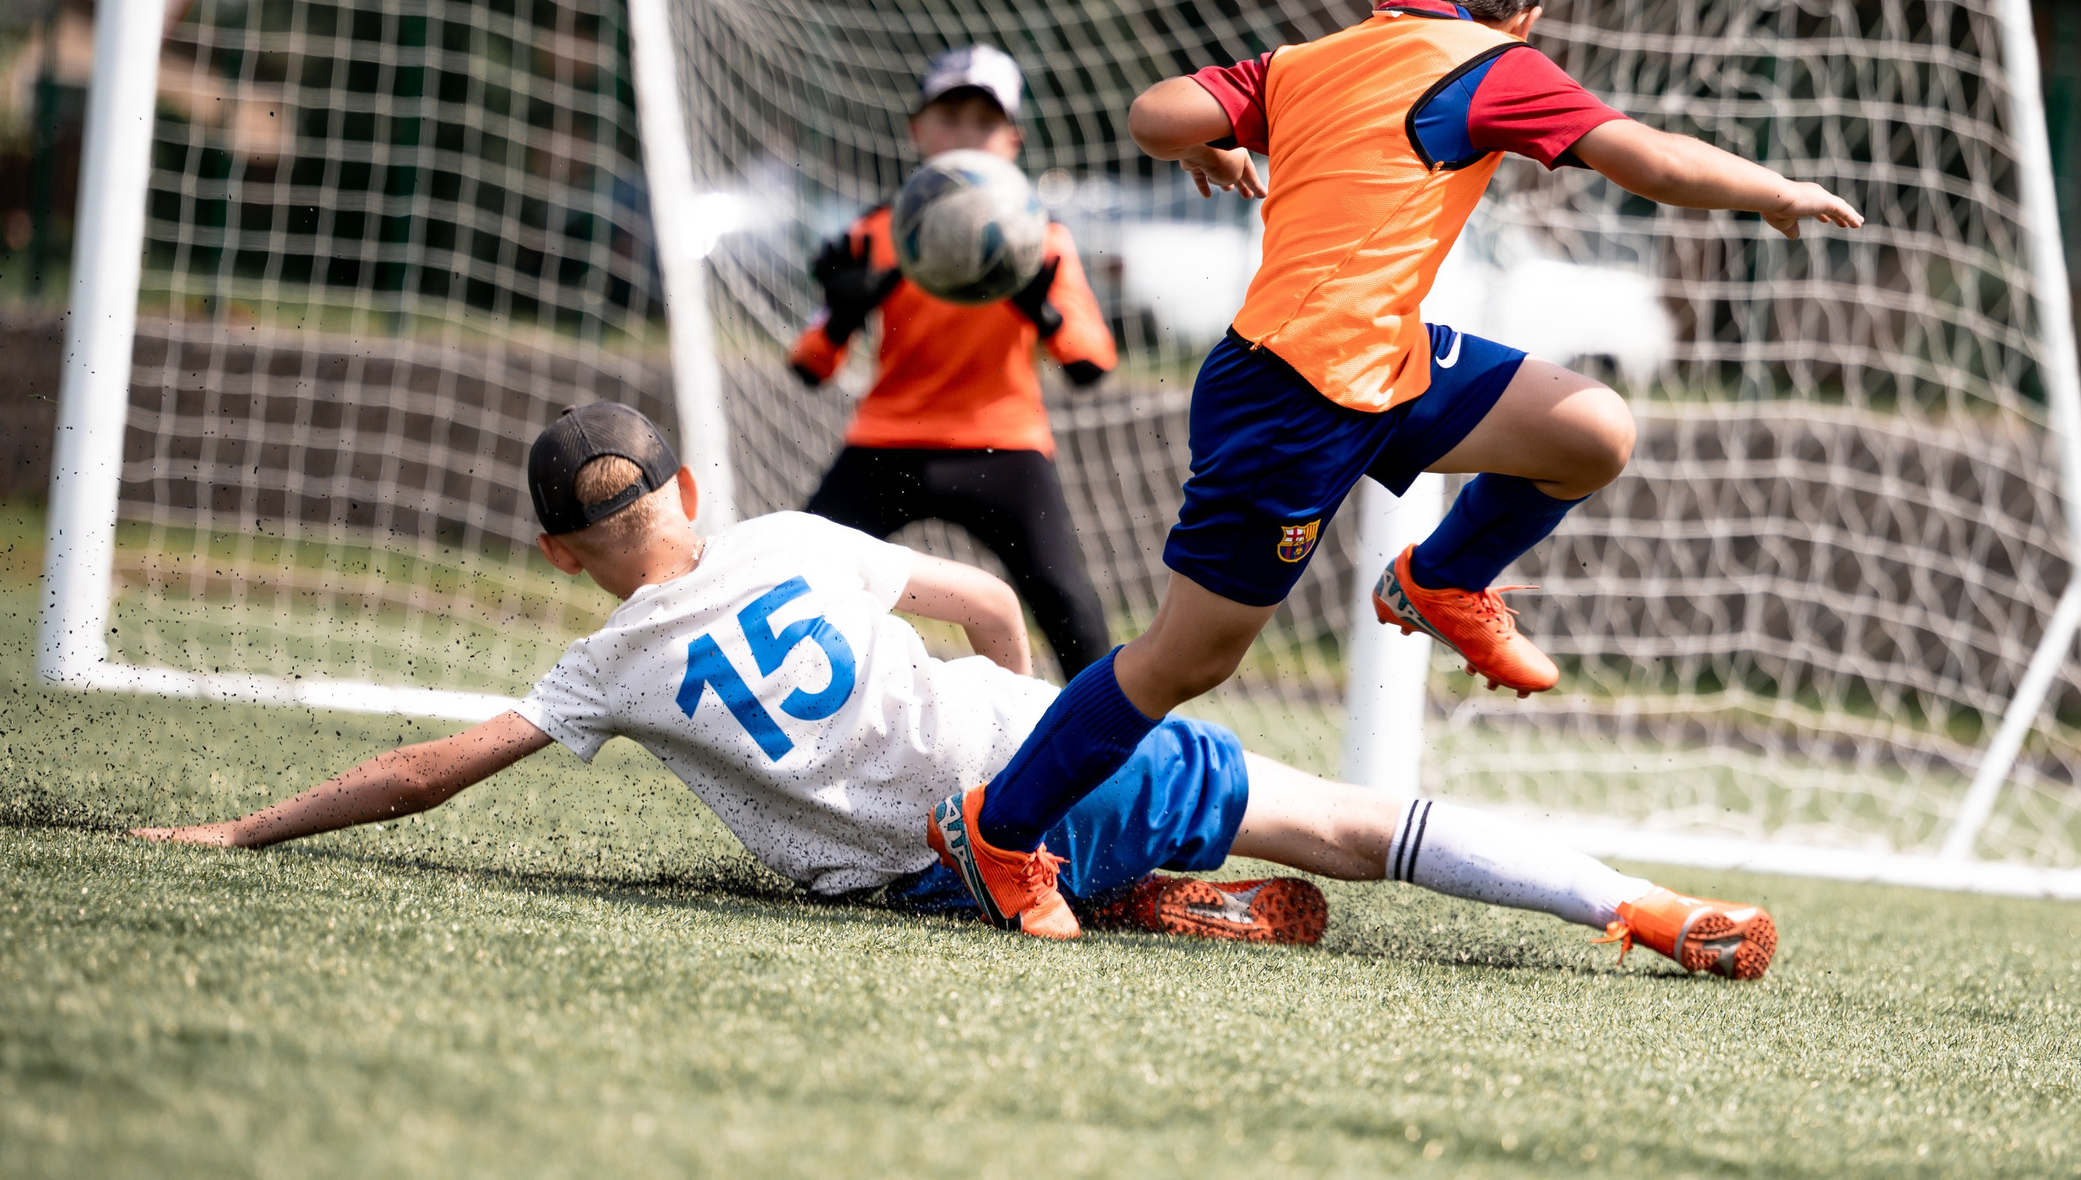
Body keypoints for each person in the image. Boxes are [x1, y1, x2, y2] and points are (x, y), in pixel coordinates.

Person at [933, 0, 1862, 939]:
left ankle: (1442, 577)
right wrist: (1771, 189)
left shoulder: (1303, 61)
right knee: (1185, 659)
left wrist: (1206, 137)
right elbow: (1641, 154)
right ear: (1529, 17)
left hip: (1387, 360)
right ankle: (999, 832)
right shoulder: (1496, 66)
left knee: (1591, 427)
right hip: (1291, 394)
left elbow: (1153, 111)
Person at [132, 403, 1777, 978]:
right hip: (1019, 767)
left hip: (922, 871)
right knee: (1355, 823)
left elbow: (429, 769)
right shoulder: (783, 531)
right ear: (689, 489)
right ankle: (1635, 904)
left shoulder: (602, 658)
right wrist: (1044, 725)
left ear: (565, 552)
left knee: (971, 857)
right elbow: (990, 594)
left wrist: (234, 827)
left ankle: (1127, 891)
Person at [789, 45, 1119, 680]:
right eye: (949, 117)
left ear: (1013, 141)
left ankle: (1120, 755)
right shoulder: (877, 233)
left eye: (984, 122)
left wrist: (1039, 310)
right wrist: (840, 313)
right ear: (918, 130)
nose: (965, 135)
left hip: (1003, 443)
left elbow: (1089, 366)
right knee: (791, 574)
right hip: (887, 442)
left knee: (1070, 606)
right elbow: (809, 368)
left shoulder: (1041, 239)